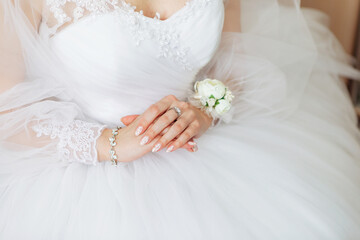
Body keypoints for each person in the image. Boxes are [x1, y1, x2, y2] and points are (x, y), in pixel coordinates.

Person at [0, 0, 359, 239]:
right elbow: (7, 106)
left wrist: (205, 109)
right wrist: (110, 143)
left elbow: (235, 59)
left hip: (207, 152)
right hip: (77, 172)